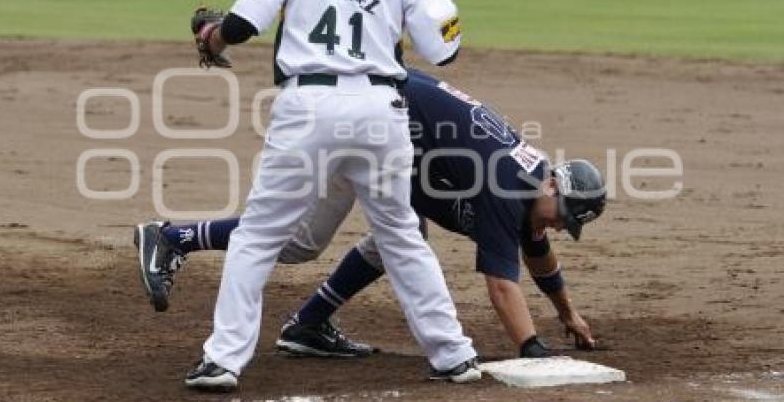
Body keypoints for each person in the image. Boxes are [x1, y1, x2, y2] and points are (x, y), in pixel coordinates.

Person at [140, 0, 481, 392]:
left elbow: (243, 24)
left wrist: (213, 37)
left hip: (308, 106)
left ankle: (223, 361)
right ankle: (454, 355)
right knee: (401, 236)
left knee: (258, 235)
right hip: (380, 109)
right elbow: (445, 48)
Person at [136, 69, 607, 364]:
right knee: (303, 241)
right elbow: (503, 286)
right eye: (564, 214)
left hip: (389, 125)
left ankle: (308, 325)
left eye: (569, 224)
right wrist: (531, 349)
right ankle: (173, 236)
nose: (560, 226)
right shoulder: (507, 186)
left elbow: (537, 250)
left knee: (397, 236)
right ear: (552, 185)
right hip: (367, 122)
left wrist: (570, 314)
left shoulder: (528, 190)